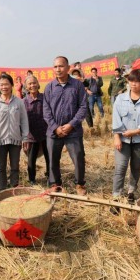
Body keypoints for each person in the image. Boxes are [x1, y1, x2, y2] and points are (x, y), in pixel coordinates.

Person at [111, 69, 140, 213]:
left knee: (136, 167)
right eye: (131, 81)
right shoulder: (120, 99)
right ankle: (116, 197)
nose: (133, 84)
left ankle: (131, 192)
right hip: (122, 140)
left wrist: (136, 131)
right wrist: (117, 136)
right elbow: (116, 118)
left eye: (137, 81)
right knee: (120, 167)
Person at [43, 56, 87, 195]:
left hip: (73, 131)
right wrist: (55, 127)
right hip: (54, 132)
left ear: (68, 68)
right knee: (52, 158)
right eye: (55, 66)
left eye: (61, 66)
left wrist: (71, 124)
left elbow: (83, 107)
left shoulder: (77, 85)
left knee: (78, 157)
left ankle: (79, 184)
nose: (58, 69)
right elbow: (46, 110)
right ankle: (55, 183)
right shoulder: (49, 87)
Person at [0, 73, 29, 189]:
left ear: (12, 85)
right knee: (1, 167)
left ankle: (14, 187)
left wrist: (25, 137)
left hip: (16, 140)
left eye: (6, 84)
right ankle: (2, 189)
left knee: (15, 166)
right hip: (1, 141)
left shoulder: (19, 102)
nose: (4, 87)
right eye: (1, 85)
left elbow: (24, 121)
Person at [23, 75, 50, 185]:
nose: (32, 85)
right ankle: (32, 179)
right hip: (31, 134)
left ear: (38, 84)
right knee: (31, 158)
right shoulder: (24, 101)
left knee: (49, 156)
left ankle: (50, 176)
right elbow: (21, 120)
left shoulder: (45, 98)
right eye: (29, 84)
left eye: (34, 83)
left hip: (46, 132)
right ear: (26, 87)